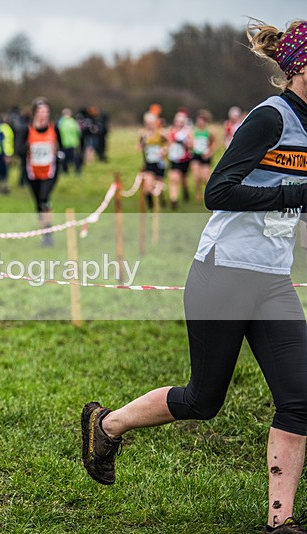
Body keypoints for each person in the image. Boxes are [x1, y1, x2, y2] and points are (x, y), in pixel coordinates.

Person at [81, 19, 307, 533]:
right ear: (299, 66)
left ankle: (282, 520)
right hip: (222, 273)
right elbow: (218, 192)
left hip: (272, 280)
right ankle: (107, 424)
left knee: (300, 399)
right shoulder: (269, 119)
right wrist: (295, 196)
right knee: (203, 400)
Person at [16, 97, 60, 247]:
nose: (44, 114)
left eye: (46, 111)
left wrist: (63, 159)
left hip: (50, 172)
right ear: (34, 113)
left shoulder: (54, 128)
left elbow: (61, 147)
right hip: (33, 173)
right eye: (41, 111)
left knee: (44, 198)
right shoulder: (26, 130)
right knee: (38, 203)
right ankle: (45, 233)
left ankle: (48, 234)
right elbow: (19, 151)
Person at [139, 110, 168, 209]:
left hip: (159, 162)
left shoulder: (161, 133)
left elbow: (169, 143)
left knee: (159, 184)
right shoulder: (143, 133)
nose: (150, 125)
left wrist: (164, 150)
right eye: (148, 123)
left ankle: (161, 201)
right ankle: (151, 205)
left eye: (152, 123)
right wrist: (142, 144)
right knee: (148, 185)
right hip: (149, 162)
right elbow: (140, 147)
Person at [166, 110, 193, 209]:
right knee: (174, 179)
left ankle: (186, 191)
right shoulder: (171, 131)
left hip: (185, 159)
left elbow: (191, 144)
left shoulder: (187, 132)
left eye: (181, 121)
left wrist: (185, 143)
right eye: (178, 121)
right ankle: (174, 200)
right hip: (174, 158)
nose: (179, 123)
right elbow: (168, 144)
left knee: (184, 179)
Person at [191, 109, 217, 204]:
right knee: (196, 176)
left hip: (205, 156)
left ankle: (209, 193)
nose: (200, 122)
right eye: (198, 120)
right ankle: (198, 193)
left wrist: (209, 152)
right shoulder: (193, 131)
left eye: (202, 121)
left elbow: (214, 143)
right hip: (196, 155)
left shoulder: (209, 131)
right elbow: (190, 143)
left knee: (205, 178)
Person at [57, 107, 82, 175]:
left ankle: (65, 171)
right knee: (75, 157)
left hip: (64, 142)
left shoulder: (60, 123)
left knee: (64, 158)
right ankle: (77, 171)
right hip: (73, 142)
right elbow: (79, 132)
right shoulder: (73, 122)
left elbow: (57, 132)